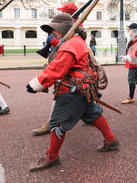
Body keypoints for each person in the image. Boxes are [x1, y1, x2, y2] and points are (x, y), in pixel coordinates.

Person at [26, 13, 119, 172]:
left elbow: (57, 69)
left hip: (72, 89)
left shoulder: (70, 45)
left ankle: (52, 156)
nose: (53, 33)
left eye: (55, 30)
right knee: (92, 114)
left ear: (62, 29)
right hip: (83, 87)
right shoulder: (77, 41)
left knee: (57, 123)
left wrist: (37, 84)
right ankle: (111, 140)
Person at [32, 4, 82, 136]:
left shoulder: (75, 27)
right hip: (65, 64)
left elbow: (66, 45)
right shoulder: (67, 25)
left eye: (64, 12)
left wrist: (53, 40)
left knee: (61, 92)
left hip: (69, 66)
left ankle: (51, 123)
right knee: (83, 103)